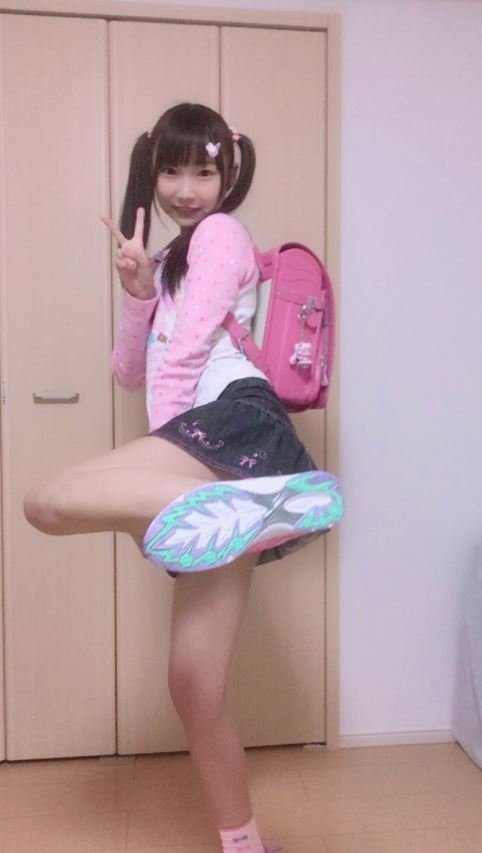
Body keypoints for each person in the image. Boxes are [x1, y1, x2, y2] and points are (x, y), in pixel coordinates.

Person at [24, 103, 343, 853]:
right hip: (224, 463)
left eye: (204, 171)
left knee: (47, 500)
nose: (186, 188)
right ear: (152, 173)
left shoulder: (222, 235)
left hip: (232, 419)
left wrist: (163, 437)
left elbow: (192, 349)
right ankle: (245, 845)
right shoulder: (172, 258)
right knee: (195, 683)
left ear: (228, 174)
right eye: (171, 171)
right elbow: (129, 369)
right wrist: (138, 292)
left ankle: (243, 502)